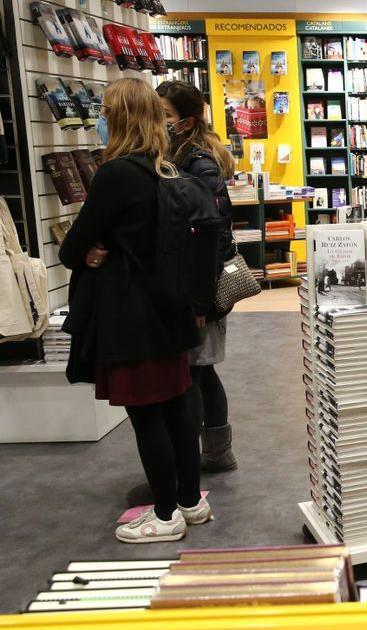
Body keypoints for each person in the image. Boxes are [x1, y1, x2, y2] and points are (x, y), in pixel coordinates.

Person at [60, 78, 215, 543]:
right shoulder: (161, 169)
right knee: (176, 410)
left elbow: (72, 248)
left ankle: (165, 516)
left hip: (131, 316)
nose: (101, 121)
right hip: (170, 312)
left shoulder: (115, 174)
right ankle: (190, 501)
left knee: (147, 415)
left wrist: (90, 251)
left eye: (106, 113)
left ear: (120, 118)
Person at [157, 80, 238, 472]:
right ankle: (214, 453)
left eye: (166, 116)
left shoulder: (198, 164)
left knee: (197, 372)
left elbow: (213, 234)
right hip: (196, 286)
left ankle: (210, 455)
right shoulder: (181, 157)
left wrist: (202, 300)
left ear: (186, 122)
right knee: (200, 372)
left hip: (201, 289)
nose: (160, 122)